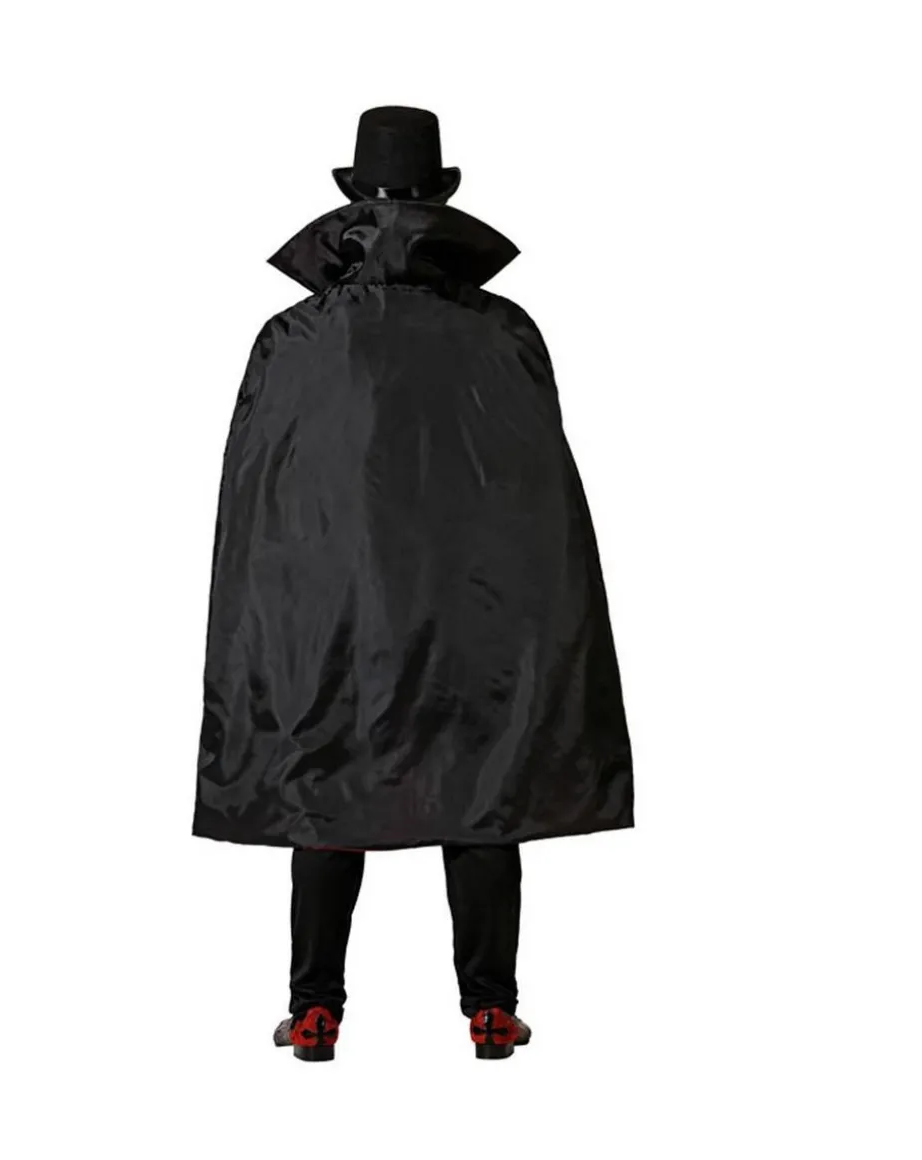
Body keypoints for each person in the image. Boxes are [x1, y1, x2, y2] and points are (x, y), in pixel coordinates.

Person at [193, 106, 633, 1061]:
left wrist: (272, 627)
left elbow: (258, 503)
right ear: (441, 199)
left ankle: (317, 1010)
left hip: (334, 618)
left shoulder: (293, 338)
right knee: (484, 790)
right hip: (476, 617)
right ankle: (490, 1009)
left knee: (324, 784)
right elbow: (539, 497)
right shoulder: (504, 331)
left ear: (352, 197)